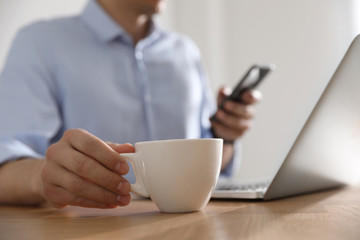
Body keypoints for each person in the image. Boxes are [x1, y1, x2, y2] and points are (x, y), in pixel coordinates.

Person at [0, 0, 261, 209]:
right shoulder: (39, 43)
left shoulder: (185, 51)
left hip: (187, 228)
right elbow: (5, 162)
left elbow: (202, 153)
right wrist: (43, 176)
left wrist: (224, 137)